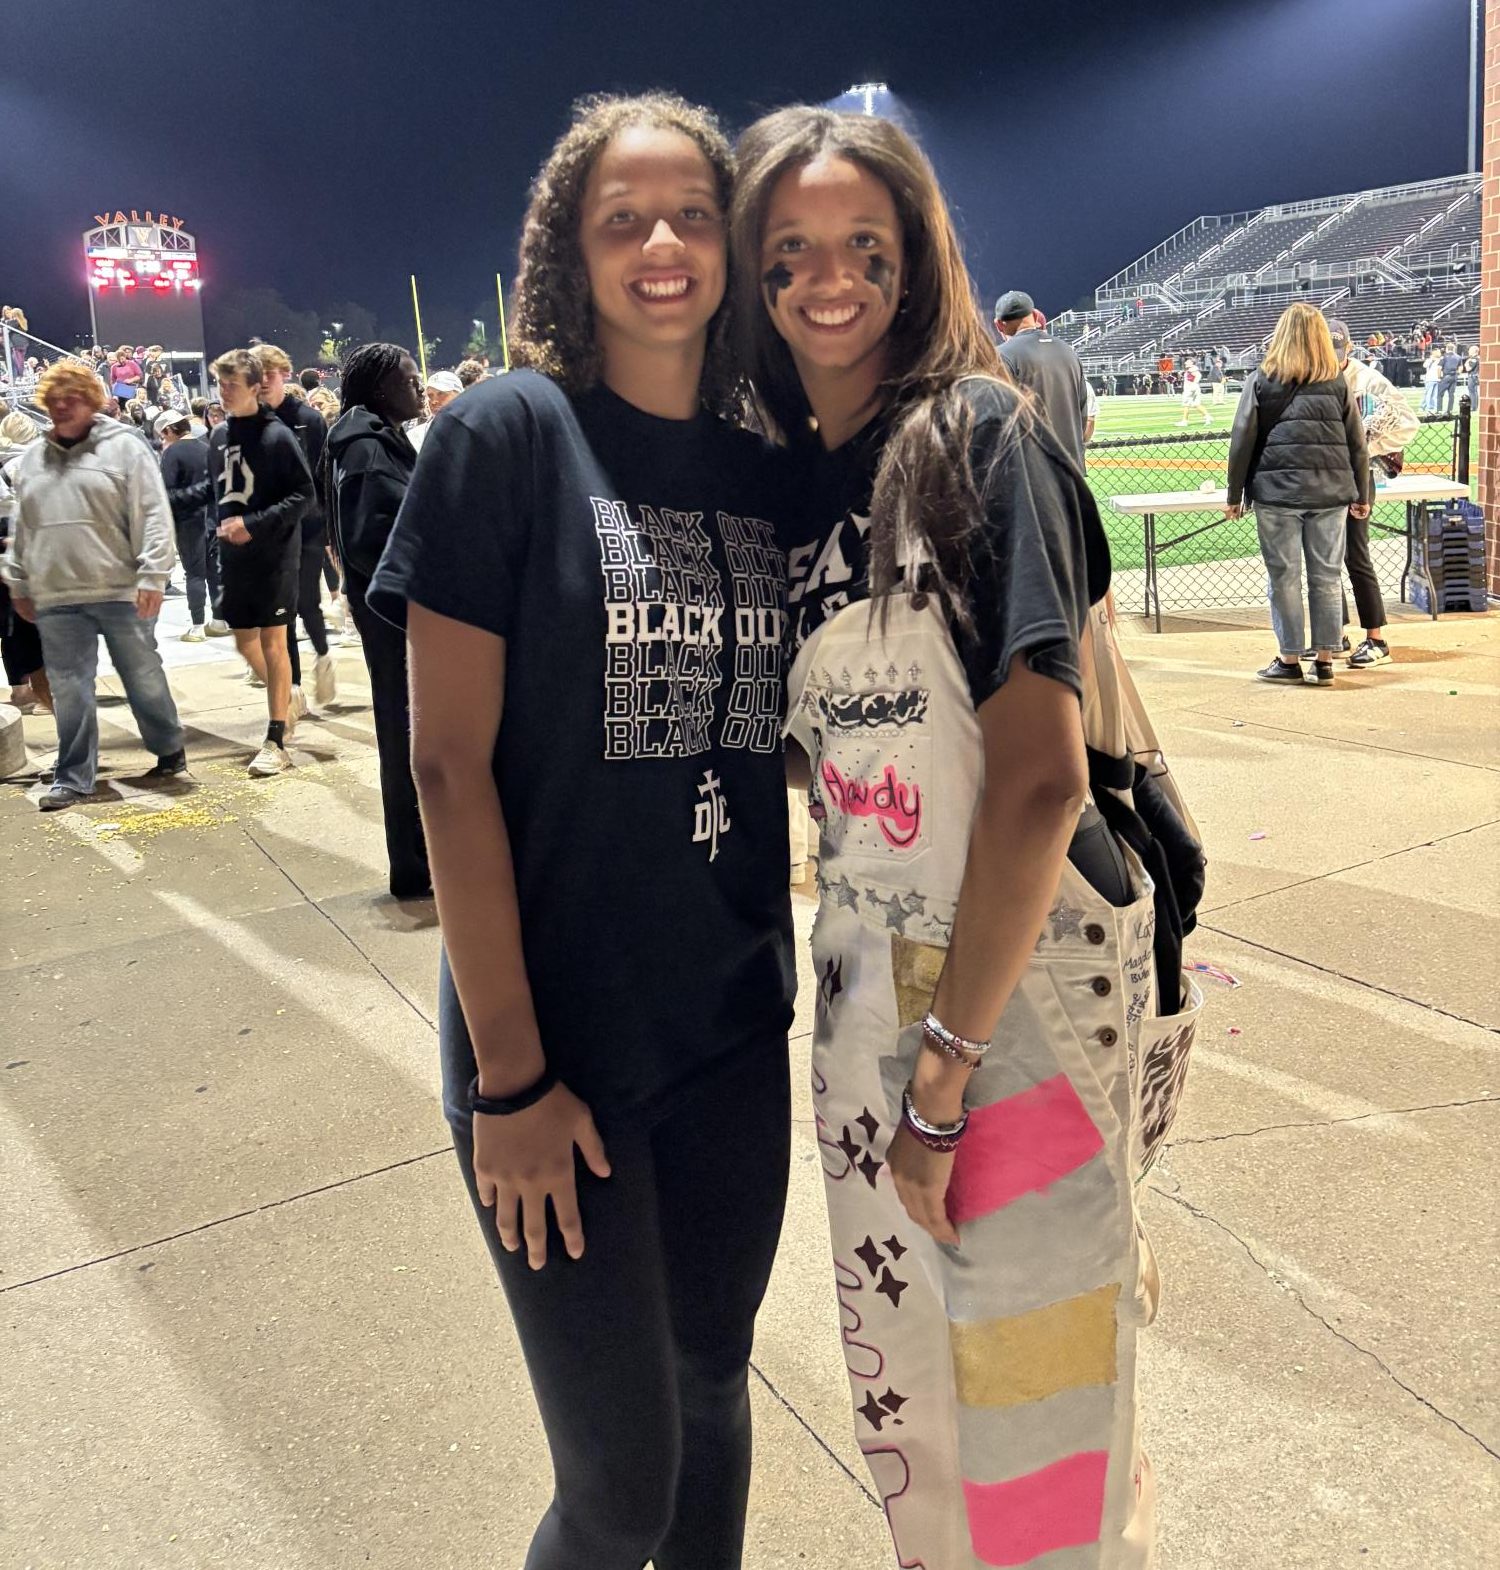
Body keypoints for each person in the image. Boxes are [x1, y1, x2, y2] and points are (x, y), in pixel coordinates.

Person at [735, 103, 1198, 1570]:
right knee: (915, 1407)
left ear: (917, 256)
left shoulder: (982, 438)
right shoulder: (794, 480)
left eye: (864, 245)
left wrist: (943, 1073)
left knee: (1043, 1425)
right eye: (791, 250)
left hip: (1011, 1004)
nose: (828, 278)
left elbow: (1039, 781)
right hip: (870, 996)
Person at [366, 92, 799, 1570]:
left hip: (733, 1025)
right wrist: (513, 1076)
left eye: (692, 214)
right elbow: (444, 770)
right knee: (618, 1483)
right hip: (557, 1049)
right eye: (625, 218)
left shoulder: (760, 470)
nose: (663, 243)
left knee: (714, 1396)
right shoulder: (507, 436)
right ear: (573, 249)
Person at [1, 362, 187, 809]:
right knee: (68, 687)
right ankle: (74, 776)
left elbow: (154, 512)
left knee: (142, 677)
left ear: (92, 400)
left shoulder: (125, 448)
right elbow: (24, 525)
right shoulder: (31, 462)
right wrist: (18, 578)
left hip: (123, 589)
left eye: (72, 398)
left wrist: (153, 573)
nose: (62, 407)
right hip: (58, 596)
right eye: (54, 401)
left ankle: (168, 747)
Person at [325, 344, 429, 898]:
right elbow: (375, 542)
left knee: (407, 732)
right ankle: (416, 864)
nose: (418, 387)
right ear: (379, 388)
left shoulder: (368, 439)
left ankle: (420, 860)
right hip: (396, 618)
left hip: (388, 613)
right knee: (407, 734)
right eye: (409, 379)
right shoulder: (366, 448)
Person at [1225, 303, 1370, 686]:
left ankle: (1289, 659)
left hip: (1277, 494)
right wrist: (1362, 491)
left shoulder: (1262, 378)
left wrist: (1234, 493)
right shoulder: (1337, 382)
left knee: (1284, 577)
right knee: (1326, 576)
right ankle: (1324, 660)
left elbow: (1242, 440)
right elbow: (1357, 444)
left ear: (1281, 335)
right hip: (1331, 493)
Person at [207, 348, 315, 775]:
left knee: (274, 642)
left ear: (255, 387)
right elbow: (218, 493)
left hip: (274, 555)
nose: (224, 392)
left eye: (232, 384)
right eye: (220, 383)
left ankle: (276, 740)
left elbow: (304, 495)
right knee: (242, 639)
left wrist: (253, 523)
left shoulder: (277, 435)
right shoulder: (218, 435)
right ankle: (286, 698)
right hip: (234, 557)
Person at [1326, 319, 1419, 668]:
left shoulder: (1368, 380)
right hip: (1326, 475)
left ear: (1348, 348)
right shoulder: (1315, 376)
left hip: (1356, 475)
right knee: (1325, 558)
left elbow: (1407, 422)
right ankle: (1334, 634)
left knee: (1355, 554)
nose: (1333, 357)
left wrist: (1367, 444)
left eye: (1338, 350)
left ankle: (1376, 639)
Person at [257, 343, 336, 708]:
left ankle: (323, 658)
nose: (261, 383)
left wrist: (329, 531)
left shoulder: (310, 418)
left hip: (307, 526)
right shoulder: (249, 422)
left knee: (307, 603)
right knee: (280, 611)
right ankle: (294, 687)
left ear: (283, 374)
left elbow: (323, 476)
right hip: (270, 531)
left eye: (268, 375)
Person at [993, 289, 1090, 467]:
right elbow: (1083, 415)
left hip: (1031, 470)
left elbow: (999, 419)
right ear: (1036, 316)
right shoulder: (1068, 351)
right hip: (1071, 467)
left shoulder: (1001, 355)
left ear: (999, 325)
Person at [156, 409, 227, 640]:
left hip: (188, 521)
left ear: (168, 430)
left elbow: (166, 492)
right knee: (214, 572)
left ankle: (197, 626)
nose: (163, 439)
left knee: (194, 574)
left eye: (163, 434)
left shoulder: (171, 453)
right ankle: (219, 621)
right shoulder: (206, 448)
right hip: (214, 518)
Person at [0, 411, 49, 713]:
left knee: (12, 626)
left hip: (6, 553)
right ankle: (47, 692)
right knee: (41, 625)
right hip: (36, 549)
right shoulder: (38, 463)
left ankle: (21, 690)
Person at [407, 368, 463, 452]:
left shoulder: (476, 430)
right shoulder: (415, 436)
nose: (434, 401)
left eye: (441, 393)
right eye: (430, 395)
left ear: (459, 395)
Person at [1176, 356, 1211, 426]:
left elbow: (1197, 376)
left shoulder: (1192, 370)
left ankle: (1184, 421)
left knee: (1186, 405)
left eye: (1187, 361)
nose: (1185, 362)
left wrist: (1192, 385)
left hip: (1190, 389)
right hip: (1194, 388)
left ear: (1192, 363)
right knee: (1196, 404)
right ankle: (1207, 417)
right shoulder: (1191, 370)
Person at [1436, 340, 1462, 414]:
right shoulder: (1458, 357)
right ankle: (1449, 410)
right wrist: (1458, 373)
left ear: (1447, 348)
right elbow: (1460, 367)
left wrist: (1439, 377)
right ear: (1454, 349)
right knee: (1451, 394)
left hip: (1446, 376)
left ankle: (1439, 410)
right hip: (1454, 376)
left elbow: (1439, 367)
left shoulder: (1444, 357)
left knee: (1440, 394)